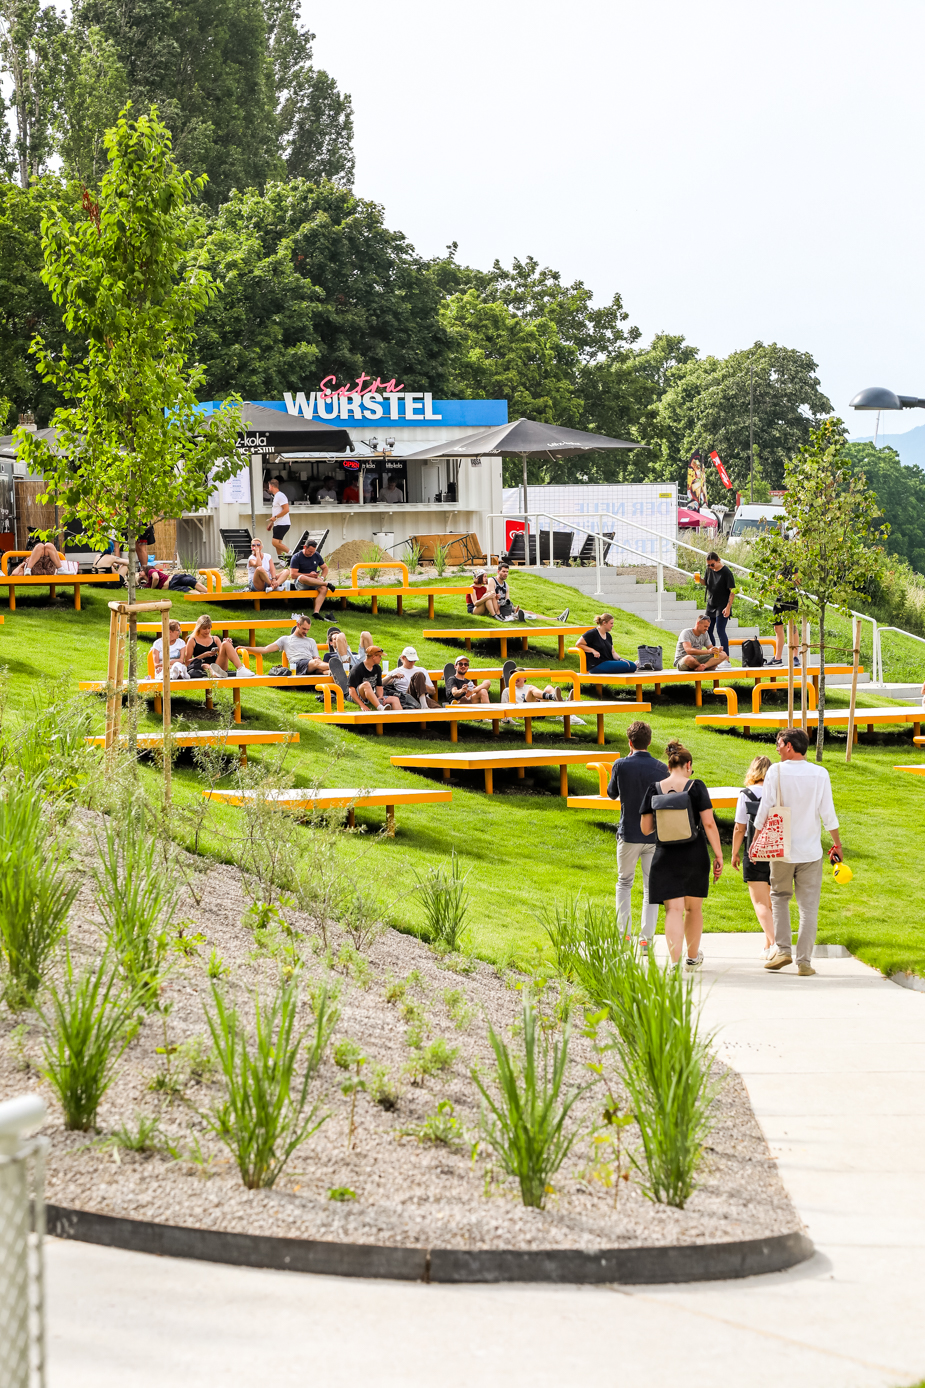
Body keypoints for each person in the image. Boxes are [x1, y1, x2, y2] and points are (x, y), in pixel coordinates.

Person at [756, 727, 843, 976]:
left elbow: (765, 807)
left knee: (779, 897)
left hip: (782, 849)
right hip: (811, 852)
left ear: (789, 746)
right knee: (808, 908)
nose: (776, 748)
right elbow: (828, 813)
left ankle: (783, 950)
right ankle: (804, 962)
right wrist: (837, 844)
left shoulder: (776, 771)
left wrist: (757, 838)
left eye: (779, 743)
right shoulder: (820, 773)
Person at [639, 740, 724, 967]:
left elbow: (646, 829)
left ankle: (675, 964)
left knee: (673, 910)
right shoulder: (696, 786)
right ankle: (692, 958)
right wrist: (719, 855)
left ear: (669, 766)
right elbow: (708, 824)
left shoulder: (653, 789)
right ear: (689, 765)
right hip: (694, 854)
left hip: (665, 855)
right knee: (693, 908)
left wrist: (667, 821)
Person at [607, 721, 668, 951]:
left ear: (630, 742)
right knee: (650, 888)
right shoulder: (662, 768)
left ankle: (623, 937)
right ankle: (646, 940)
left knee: (624, 883)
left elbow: (612, 793)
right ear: (649, 741)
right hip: (653, 835)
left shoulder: (621, 765)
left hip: (629, 833)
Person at [731, 755, 775, 955]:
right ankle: (768, 946)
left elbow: (740, 828)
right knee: (772, 902)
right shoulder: (776, 793)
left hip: (754, 849)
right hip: (777, 850)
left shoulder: (746, 794)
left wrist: (734, 853)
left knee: (759, 902)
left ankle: (776, 945)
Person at [241, 612, 328, 674]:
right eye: (304, 629)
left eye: (307, 629)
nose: (306, 631)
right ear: (298, 625)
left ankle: (335, 673)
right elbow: (265, 649)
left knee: (322, 671)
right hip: (297, 665)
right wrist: (246, 648)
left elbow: (317, 658)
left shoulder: (311, 641)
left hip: (310, 664)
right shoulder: (286, 639)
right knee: (316, 663)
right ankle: (340, 667)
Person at [184, 615, 255, 678]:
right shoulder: (192, 640)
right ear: (199, 628)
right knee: (206, 665)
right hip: (201, 666)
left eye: (209, 628)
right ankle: (213, 673)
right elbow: (187, 662)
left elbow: (224, 654)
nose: (207, 631)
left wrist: (228, 644)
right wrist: (203, 655)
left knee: (225, 643)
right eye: (204, 628)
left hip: (218, 665)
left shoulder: (215, 638)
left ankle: (240, 669)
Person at [700, 551, 736, 656]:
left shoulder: (726, 572)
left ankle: (726, 657)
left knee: (720, 630)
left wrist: (728, 607)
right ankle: (713, 655)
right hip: (711, 603)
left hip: (723, 604)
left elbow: (732, 591)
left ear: (718, 560)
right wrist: (698, 580)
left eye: (712, 564)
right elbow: (706, 582)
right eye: (708, 565)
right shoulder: (709, 570)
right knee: (708, 631)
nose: (710, 567)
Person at [348, 645, 400, 711]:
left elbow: (379, 686)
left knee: (395, 699)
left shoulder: (377, 668)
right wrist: (362, 705)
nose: (381, 658)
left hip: (370, 696)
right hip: (357, 696)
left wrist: (380, 696)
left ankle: (401, 720)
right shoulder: (357, 669)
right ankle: (380, 708)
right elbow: (351, 690)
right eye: (379, 656)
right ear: (373, 656)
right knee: (366, 684)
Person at [288, 541, 332, 614]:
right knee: (302, 577)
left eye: (313, 552)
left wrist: (321, 578)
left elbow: (325, 568)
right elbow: (293, 575)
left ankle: (316, 612)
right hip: (301, 583)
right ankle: (326, 584)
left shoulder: (316, 555)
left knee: (324, 588)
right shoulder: (296, 557)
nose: (311, 554)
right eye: (310, 551)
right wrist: (309, 575)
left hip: (314, 581)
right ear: (305, 547)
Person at [770, 562, 799, 666]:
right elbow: (776, 584)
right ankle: (777, 658)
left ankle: (795, 656)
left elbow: (798, 581)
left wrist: (785, 584)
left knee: (792, 626)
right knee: (777, 627)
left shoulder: (792, 564)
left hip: (790, 597)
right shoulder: (777, 567)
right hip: (780, 598)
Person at [12, 542, 77, 576]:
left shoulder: (27, 563)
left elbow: (14, 574)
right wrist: (23, 564)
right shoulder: (23, 568)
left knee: (48, 545)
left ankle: (60, 569)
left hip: (46, 570)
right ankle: (28, 569)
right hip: (34, 570)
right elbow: (14, 574)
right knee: (40, 546)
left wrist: (24, 564)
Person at [266, 478, 291, 558]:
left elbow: (286, 509)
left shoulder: (280, 495)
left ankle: (292, 553)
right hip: (278, 523)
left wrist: (275, 517)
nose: (268, 488)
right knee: (278, 544)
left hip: (282, 523)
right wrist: (272, 523)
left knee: (275, 543)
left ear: (272, 486)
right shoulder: (276, 496)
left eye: (269, 486)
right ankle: (282, 561)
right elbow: (276, 511)